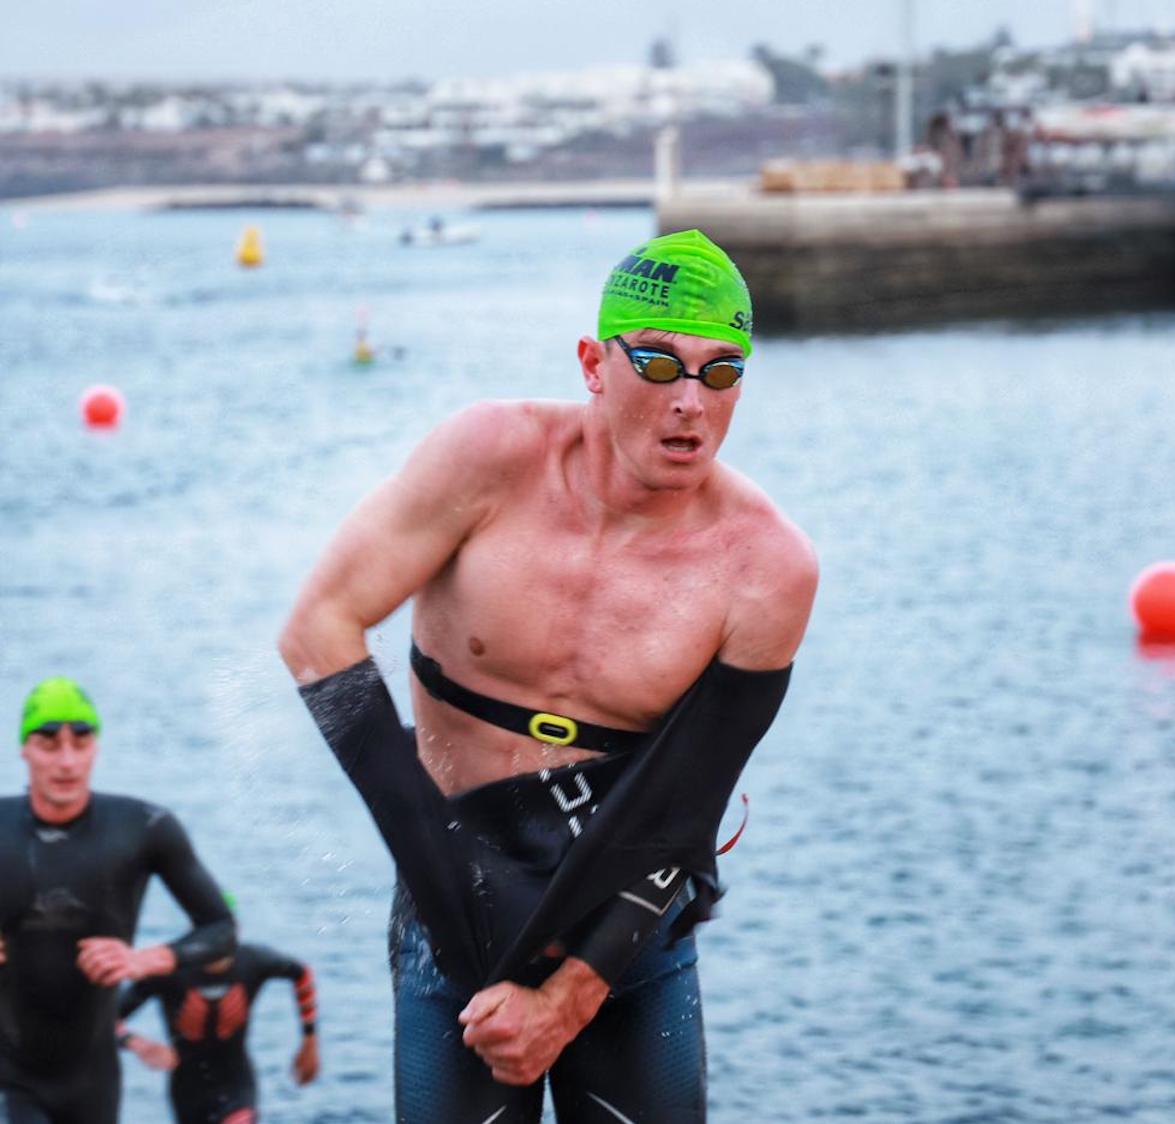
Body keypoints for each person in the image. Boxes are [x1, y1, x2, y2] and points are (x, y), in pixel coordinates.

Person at [279, 228, 818, 1122]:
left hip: (628, 928)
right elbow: (317, 629)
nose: (690, 402)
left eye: (721, 373)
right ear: (592, 364)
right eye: (658, 362)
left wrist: (568, 994)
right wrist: (450, 904)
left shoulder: (767, 567)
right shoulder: (489, 458)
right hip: (448, 894)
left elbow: (686, 806)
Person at [0, 677, 236, 1124]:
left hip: (92, 1080)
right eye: (48, 744)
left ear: (96, 747)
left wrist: (147, 959)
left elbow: (221, 929)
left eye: (81, 741)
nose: (67, 761)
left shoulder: (144, 827)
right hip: (10, 1078)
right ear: (24, 750)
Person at [116, 896, 320, 1124]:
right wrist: (136, 1043)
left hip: (237, 1085)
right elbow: (104, 1022)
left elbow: (302, 974)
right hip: (187, 1092)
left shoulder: (253, 961)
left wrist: (309, 1039)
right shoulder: (169, 972)